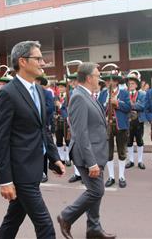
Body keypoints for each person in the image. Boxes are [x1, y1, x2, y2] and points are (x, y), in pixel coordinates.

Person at [0, 41, 65, 239]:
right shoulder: (7, 94)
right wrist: (5, 180)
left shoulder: (40, 92)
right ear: (22, 61)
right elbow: (0, 140)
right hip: (20, 172)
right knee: (46, 227)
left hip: (35, 168)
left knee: (13, 220)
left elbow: (43, 129)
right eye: (38, 58)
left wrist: (54, 157)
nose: (43, 63)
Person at [57, 62, 116, 239]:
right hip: (88, 154)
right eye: (98, 75)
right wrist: (91, 163)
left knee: (95, 192)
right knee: (96, 191)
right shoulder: (78, 97)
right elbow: (80, 133)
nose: (100, 79)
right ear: (89, 78)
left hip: (97, 151)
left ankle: (94, 228)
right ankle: (66, 216)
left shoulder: (89, 95)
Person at [103, 68, 131, 188]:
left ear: (116, 82)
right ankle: (111, 176)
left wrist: (117, 103)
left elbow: (129, 107)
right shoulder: (104, 93)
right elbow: (99, 108)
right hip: (107, 125)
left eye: (110, 80)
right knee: (108, 153)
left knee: (121, 151)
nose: (108, 82)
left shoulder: (124, 93)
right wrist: (106, 105)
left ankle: (121, 176)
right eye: (107, 80)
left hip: (121, 125)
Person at [125, 70, 147, 170]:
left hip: (138, 120)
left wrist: (130, 105)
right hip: (128, 121)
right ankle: (131, 160)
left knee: (139, 140)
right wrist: (134, 105)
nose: (131, 85)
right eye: (129, 84)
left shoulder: (142, 94)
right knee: (129, 141)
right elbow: (123, 106)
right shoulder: (125, 94)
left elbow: (142, 106)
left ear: (137, 84)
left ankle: (140, 161)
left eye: (133, 83)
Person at [36, 76, 56, 182]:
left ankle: (44, 172)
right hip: (32, 126)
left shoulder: (47, 93)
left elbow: (50, 108)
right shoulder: (30, 93)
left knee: (44, 148)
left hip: (44, 124)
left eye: (36, 81)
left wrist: (38, 111)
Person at [54, 80, 71, 167]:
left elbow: (68, 109)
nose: (60, 89)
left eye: (62, 87)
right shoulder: (56, 97)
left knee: (67, 140)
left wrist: (60, 106)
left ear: (65, 88)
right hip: (58, 121)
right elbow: (54, 109)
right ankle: (61, 158)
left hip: (66, 121)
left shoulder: (68, 97)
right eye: (59, 87)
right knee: (59, 140)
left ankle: (68, 157)